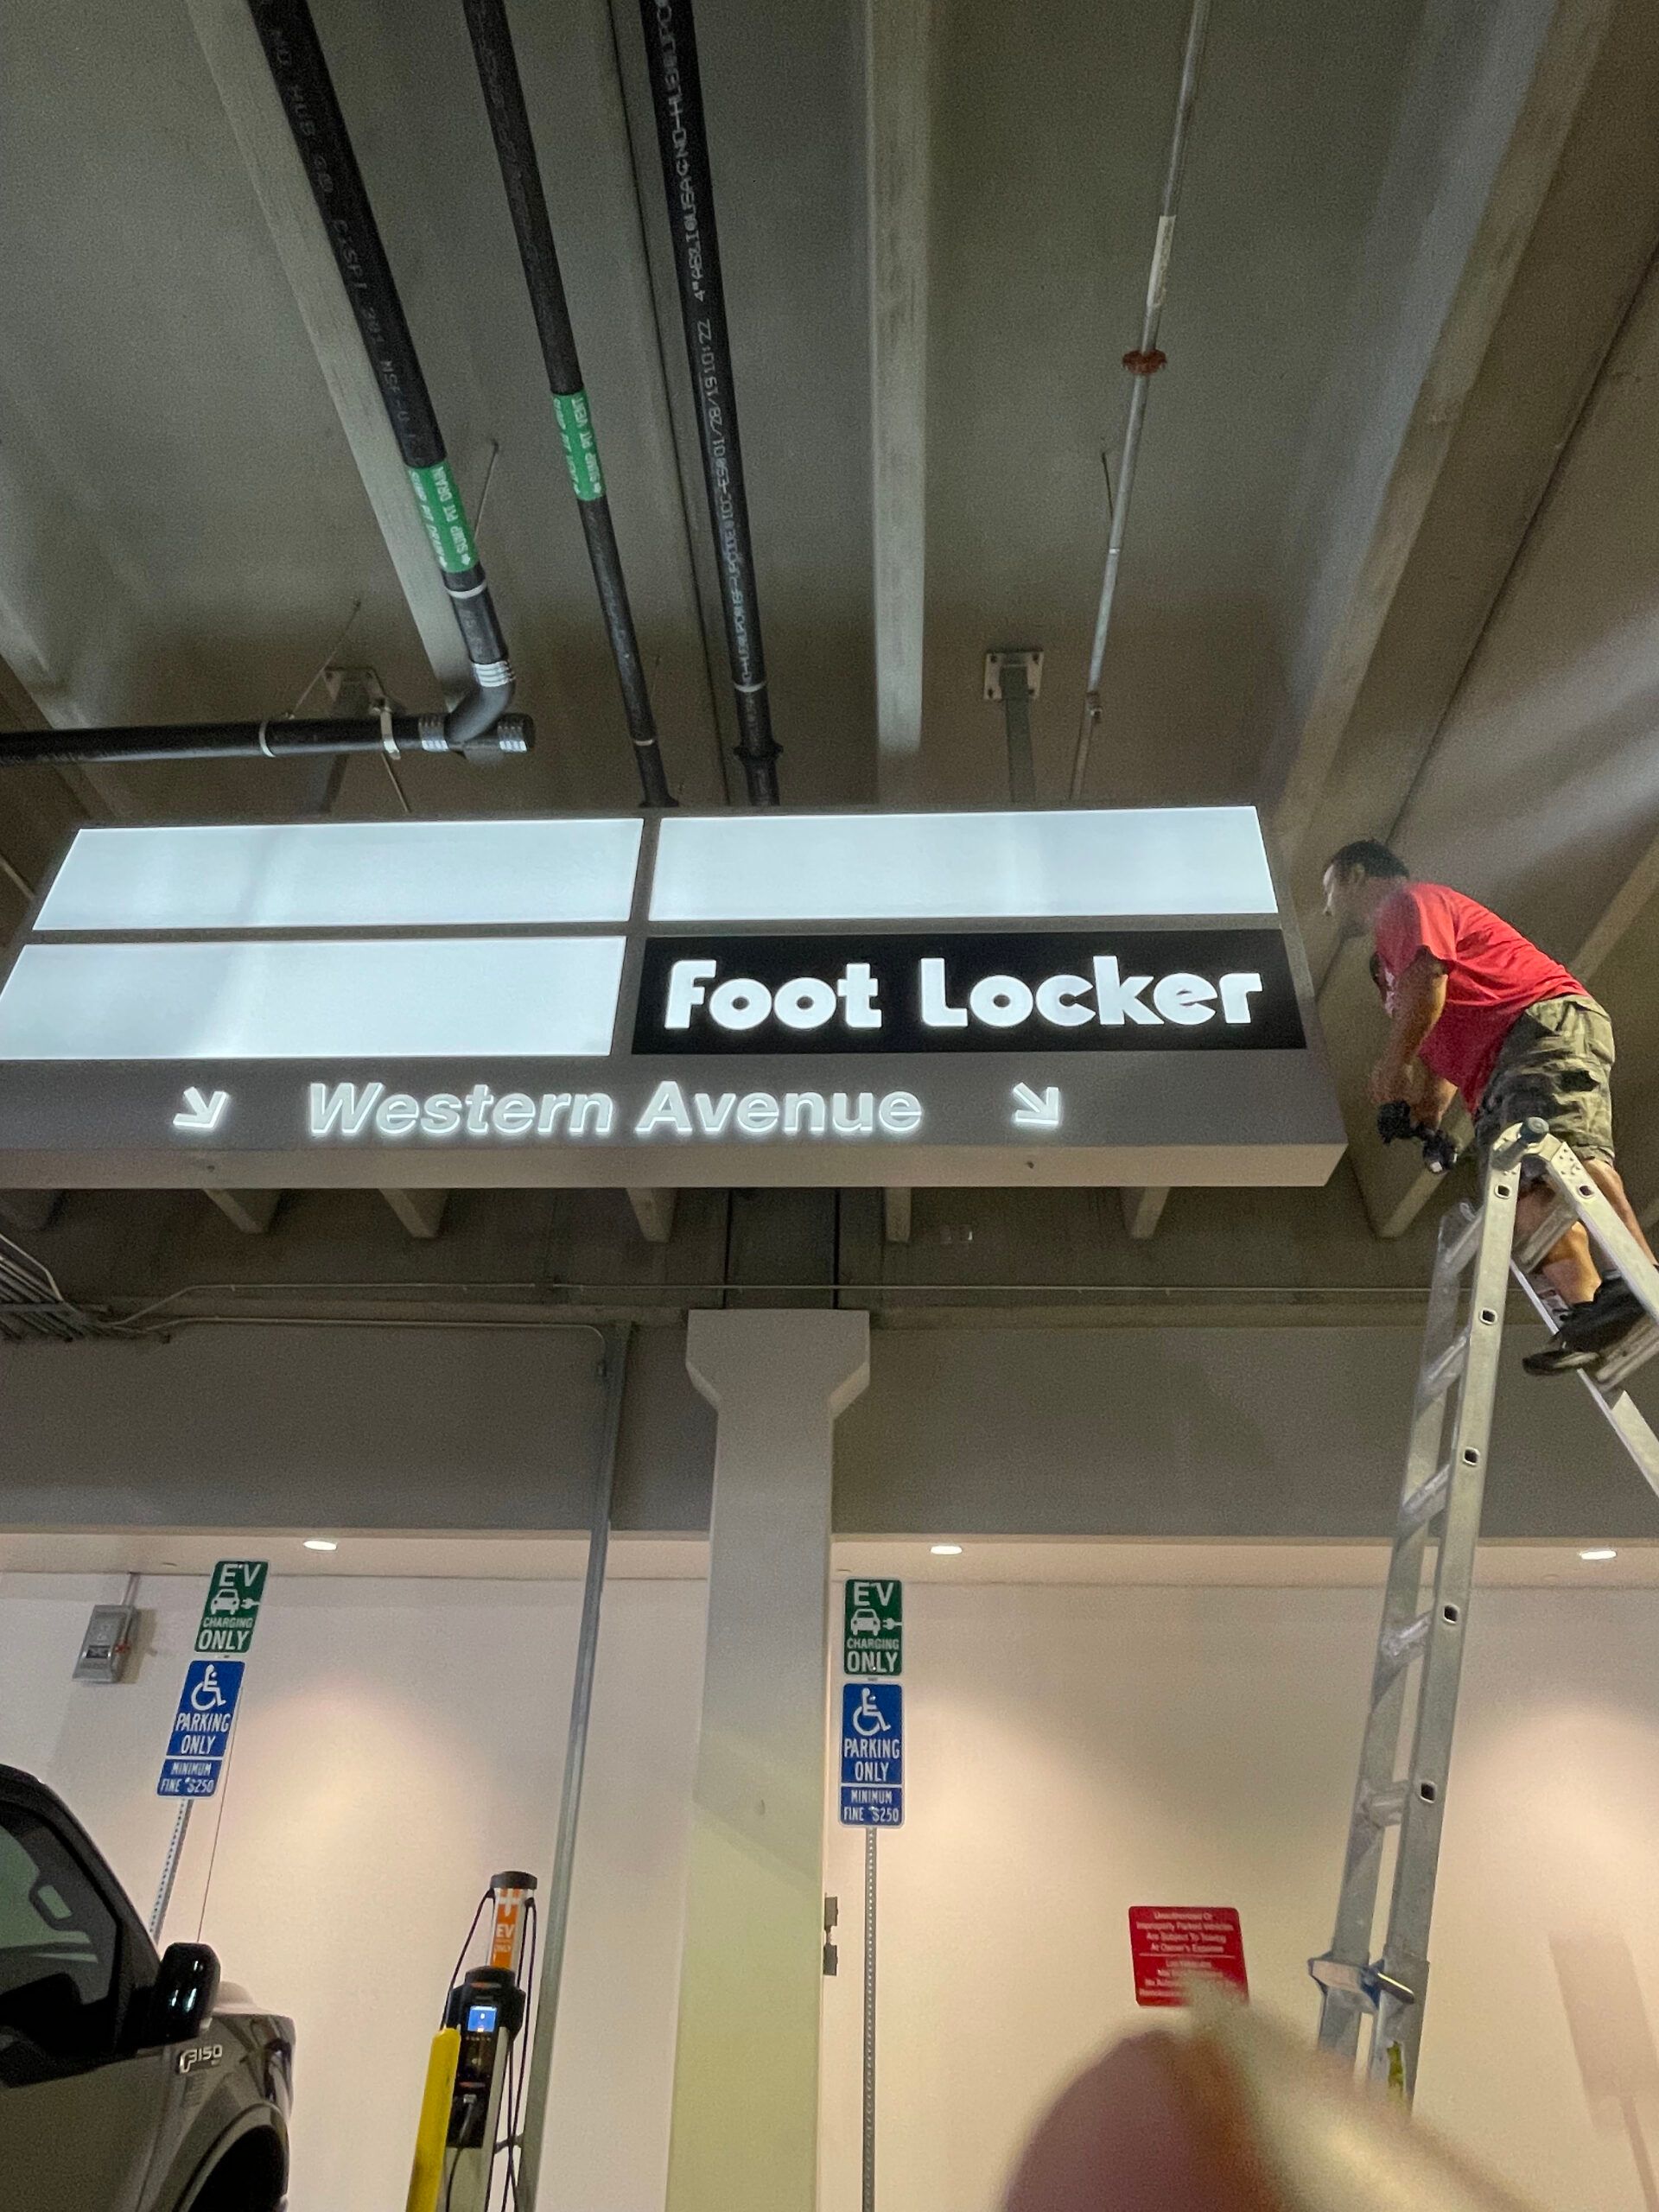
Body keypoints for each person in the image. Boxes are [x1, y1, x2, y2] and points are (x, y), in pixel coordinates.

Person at [1321, 840, 1656, 1376]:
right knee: (1526, 1197)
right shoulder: (1390, 958)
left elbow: (1428, 983)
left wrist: (1391, 1065)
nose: (1326, 907)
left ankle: (1640, 1280)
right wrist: (1425, 1115)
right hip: (1494, 1070)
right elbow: (1437, 1053)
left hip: (1533, 1026)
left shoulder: (1407, 904)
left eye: (1329, 889)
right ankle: (1596, 1314)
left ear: (1357, 874)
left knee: (1565, 1151)